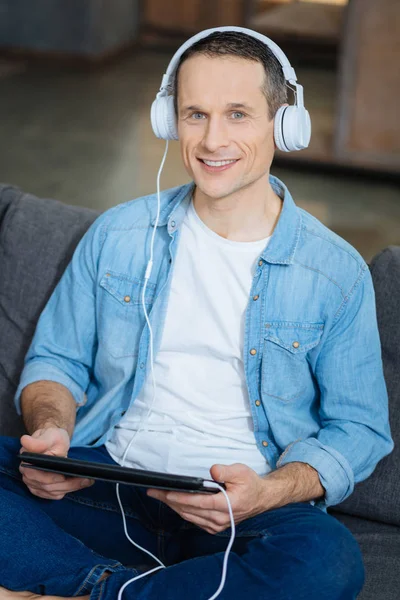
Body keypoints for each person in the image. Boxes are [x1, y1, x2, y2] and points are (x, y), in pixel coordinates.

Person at [0, 27, 393, 600]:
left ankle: (77, 588)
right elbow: (55, 360)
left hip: (244, 511)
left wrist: (268, 492)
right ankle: (124, 589)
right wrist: (52, 428)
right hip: (109, 480)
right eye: (195, 114)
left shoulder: (334, 272)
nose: (212, 140)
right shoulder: (120, 234)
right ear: (169, 120)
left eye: (238, 114)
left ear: (283, 124)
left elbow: (359, 429)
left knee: (326, 563)